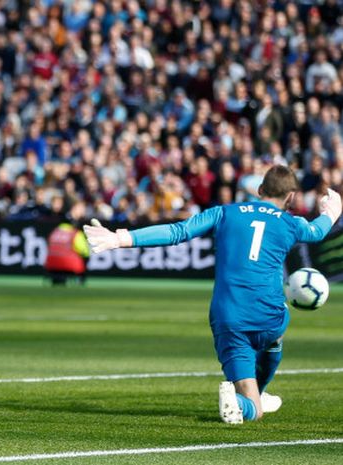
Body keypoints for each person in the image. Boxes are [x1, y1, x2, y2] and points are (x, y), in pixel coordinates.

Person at [83, 165, 342, 424]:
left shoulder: (224, 213)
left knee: (251, 405)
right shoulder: (291, 223)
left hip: (229, 318)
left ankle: (248, 399)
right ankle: (252, 395)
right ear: (291, 197)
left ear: (260, 190)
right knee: (275, 335)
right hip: (270, 318)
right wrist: (332, 210)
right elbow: (317, 231)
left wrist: (119, 238)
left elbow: (178, 232)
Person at [44, 200, 90, 286]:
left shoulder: (56, 231)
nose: (83, 211)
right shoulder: (74, 231)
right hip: (70, 265)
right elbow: (84, 251)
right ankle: (81, 280)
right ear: (74, 208)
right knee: (84, 255)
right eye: (81, 208)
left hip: (51, 264)